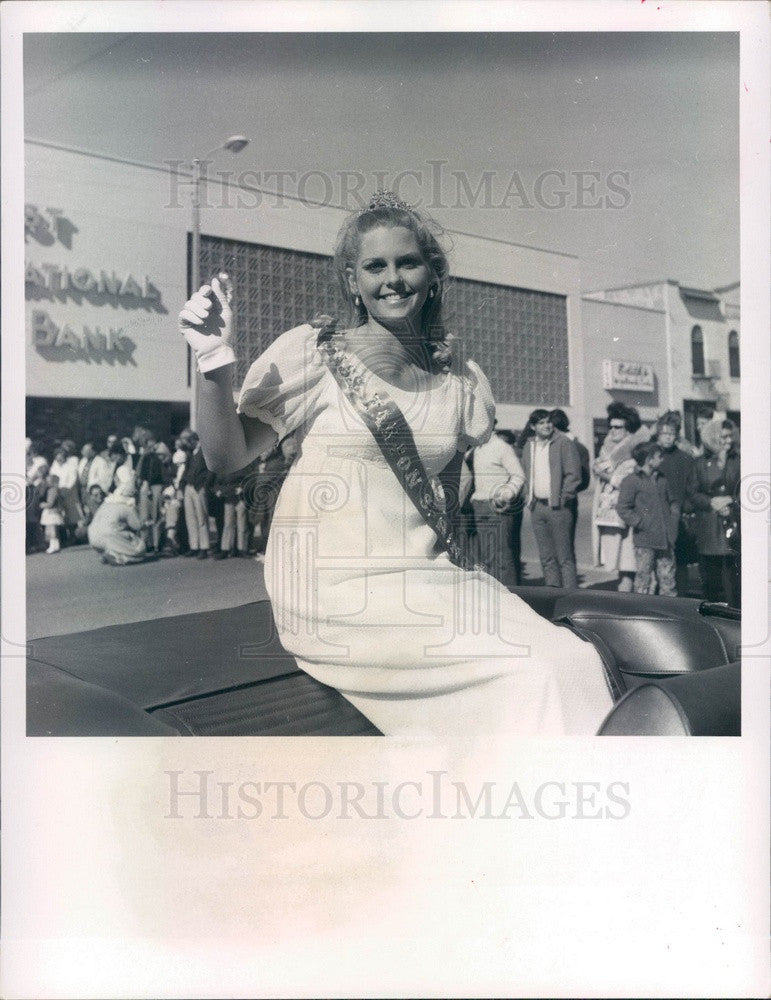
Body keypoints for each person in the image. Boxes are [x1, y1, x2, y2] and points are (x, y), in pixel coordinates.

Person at [178, 191, 613, 740]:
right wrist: (214, 361)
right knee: (534, 672)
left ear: (433, 273)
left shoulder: (461, 381)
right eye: (375, 266)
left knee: (572, 660)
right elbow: (226, 457)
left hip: (428, 578)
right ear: (351, 280)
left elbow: (444, 498)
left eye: (408, 262)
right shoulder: (317, 354)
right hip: (333, 587)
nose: (393, 279)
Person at [519, 409, 582, 589]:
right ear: (533, 427)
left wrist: (563, 498)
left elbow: (573, 475)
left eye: (548, 422)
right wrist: (528, 497)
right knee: (546, 557)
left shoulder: (564, 443)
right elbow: (524, 473)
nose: (546, 426)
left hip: (558, 508)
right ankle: (552, 595)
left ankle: (570, 598)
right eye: (541, 423)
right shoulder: (529, 446)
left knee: (565, 558)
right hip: (537, 507)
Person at [591, 403, 650, 592]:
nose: (613, 430)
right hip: (609, 512)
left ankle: (627, 597)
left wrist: (603, 474)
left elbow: (628, 482)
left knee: (628, 559)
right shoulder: (606, 449)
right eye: (611, 426)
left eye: (618, 427)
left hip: (628, 511)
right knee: (617, 556)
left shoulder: (635, 451)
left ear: (628, 429)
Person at [467, 420, 526, 588]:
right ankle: (495, 597)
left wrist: (506, 494)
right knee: (488, 557)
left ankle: (510, 598)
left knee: (501, 557)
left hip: (496, 508)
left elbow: (518, 475)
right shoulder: (476, 449)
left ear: (490, 425)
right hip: (479, 505)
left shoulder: (502, 447)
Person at [616, 441, 679, 596]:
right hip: (644, 542)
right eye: (659, 456)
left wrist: (673, 521)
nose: (662, 459)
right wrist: (640, 523)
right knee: (643, 582)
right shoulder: (631, 481)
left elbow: (673, 502)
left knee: (668, 581)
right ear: (649, 459)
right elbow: (622, 508)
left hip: (666, 541)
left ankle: (669, 614)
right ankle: (642, 614)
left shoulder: (662, 479)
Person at [691, 419, 741, 607]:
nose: (728, 440)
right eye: (723, 436)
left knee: (733, 583)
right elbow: (693, 493)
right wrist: (710, 502)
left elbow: (750, 489)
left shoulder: (740, 460)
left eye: (730, 436)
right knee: (711, 581)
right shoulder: (700, 464)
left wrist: (731, 501)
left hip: (733, 526)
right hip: (709, 527)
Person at [654, 414, 698, 596]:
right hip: (656, 518)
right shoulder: (653, 457)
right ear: (658, 435)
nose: (667, 437)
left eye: (671, 433)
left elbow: (692, 487)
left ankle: (683, 598)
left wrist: (685, 509)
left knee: (680, 561)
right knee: (659, 561)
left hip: (679, 517)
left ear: (677, 435)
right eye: (663, 433)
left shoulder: (686, 459)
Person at [548, 407, 591, 557]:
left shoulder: (577, 448)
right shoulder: (547, 445)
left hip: (565, 501)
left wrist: (564, 492)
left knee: (564, 545)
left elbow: (583, 481)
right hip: (553, 499)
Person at [87, 476, 151, 566]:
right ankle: (120, 556)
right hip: (108, 536)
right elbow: (138, 526)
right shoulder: (127, 506)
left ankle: (106, 553)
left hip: (92, 537)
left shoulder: (107, 502)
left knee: (115, 530)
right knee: (139, 550)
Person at [180, 432, 214, 559]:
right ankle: (194, 546)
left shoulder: (204, 451)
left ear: (193, 440)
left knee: (201, 518)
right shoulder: (190, 453)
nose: (186, 444)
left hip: (199, 487)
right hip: (189, 487)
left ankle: (204, 547)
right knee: (191, 519)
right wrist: (181, 486)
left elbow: (211, 470)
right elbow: (186, 470)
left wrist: (205, 485)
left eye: (187, 441)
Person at [39, 472, 64, 554]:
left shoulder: (52, 490)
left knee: (51, 530)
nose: (47, 482)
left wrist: (42, 505)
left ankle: (52, 546)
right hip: (54, 512)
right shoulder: (56, 490)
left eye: (48, 480)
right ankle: (56, 546)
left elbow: (50, 503)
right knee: (54, 530)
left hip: (51, 512)